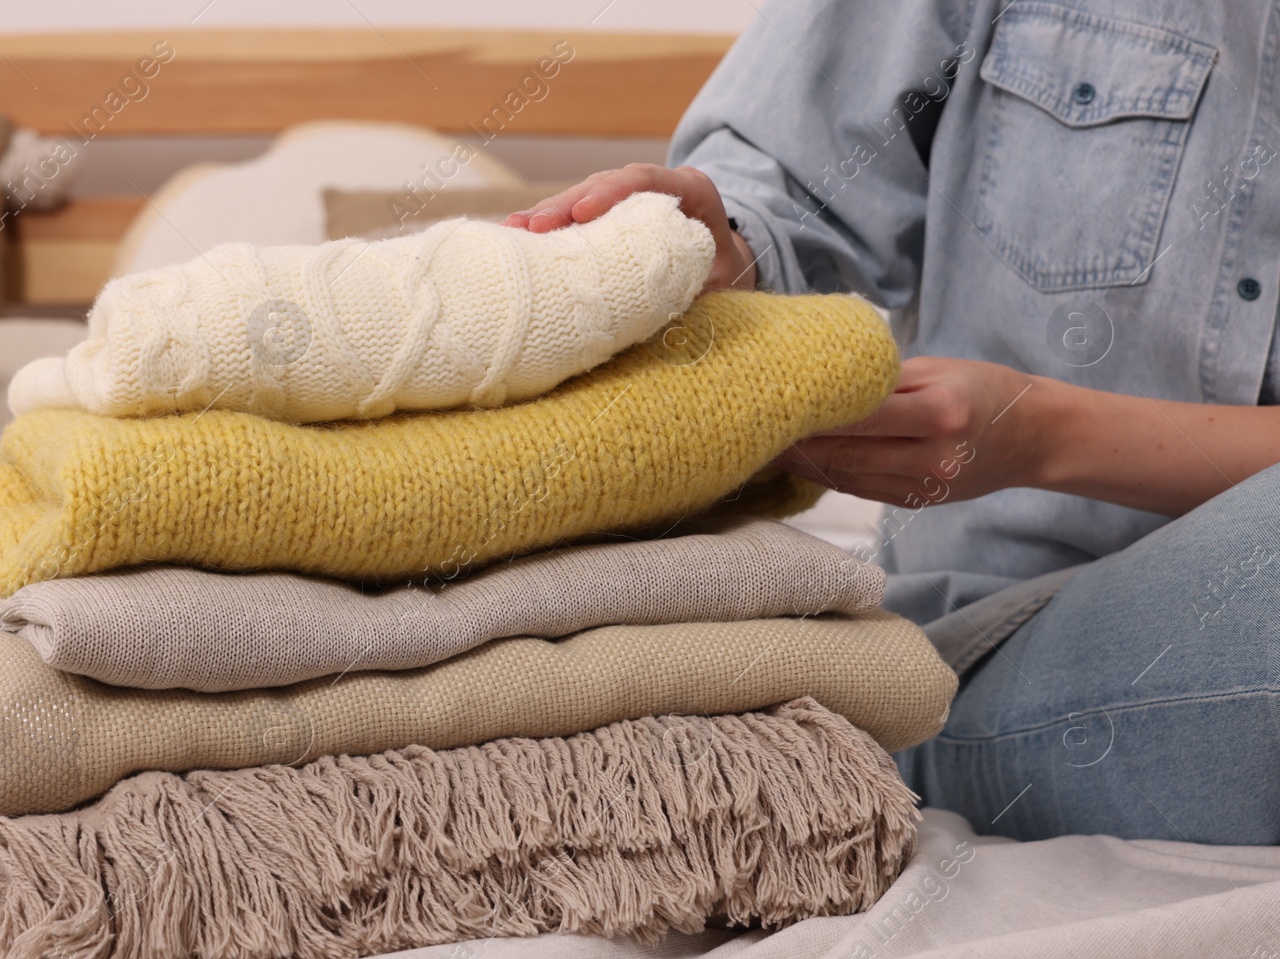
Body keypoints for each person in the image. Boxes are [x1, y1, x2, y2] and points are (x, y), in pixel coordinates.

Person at [506, 0, 1280, 845]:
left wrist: (1043, 435)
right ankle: (893, 756)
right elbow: (779, 193)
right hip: (999, 638)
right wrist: (720, 248)